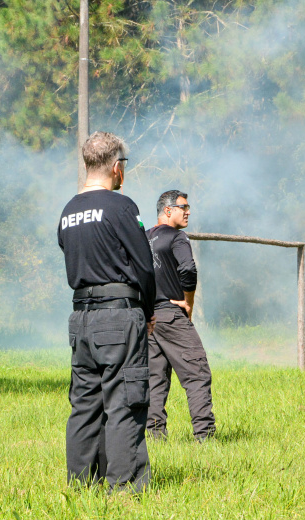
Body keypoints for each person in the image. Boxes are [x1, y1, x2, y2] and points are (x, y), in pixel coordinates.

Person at [57, 131, 156, 493]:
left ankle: (80, 487)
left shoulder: (68, 211)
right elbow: (144, 265)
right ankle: (123, 488)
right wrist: (147, 311)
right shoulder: (121, 206)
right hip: (118, 316)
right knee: (124, 401)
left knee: (84, 403)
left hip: (80, 319)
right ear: (117, 168)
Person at [145, 190, 216, 442]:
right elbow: (188, 268)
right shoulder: (177, 237)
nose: (188, 211)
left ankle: (154, 437)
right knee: (197, 374)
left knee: (155, 380)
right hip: (172, 316)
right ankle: (204, 437)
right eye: (183, 207)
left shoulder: (142, 239)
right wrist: (188, 302)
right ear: (167, 210)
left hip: (149, 320)